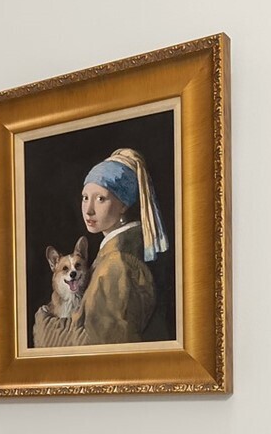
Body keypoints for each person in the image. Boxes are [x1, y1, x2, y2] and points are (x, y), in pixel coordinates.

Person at [33, 147, 169, 348]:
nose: (88, 210)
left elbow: (100, 347)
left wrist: (44, 324)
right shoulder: (110, 257)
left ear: (123, 204)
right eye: (85, 197)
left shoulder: (117, 265)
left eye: (101, 198)